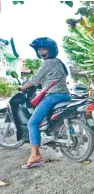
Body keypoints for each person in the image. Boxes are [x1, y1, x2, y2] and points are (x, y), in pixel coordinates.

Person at [18, 37, 71, 169]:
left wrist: (24, 87)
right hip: (65, 95)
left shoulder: (49, 62)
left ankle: (35, 155)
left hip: (53, 96)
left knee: (32, 122)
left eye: (44, 49)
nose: (41, 52)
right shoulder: (59, 62)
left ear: (51, 50)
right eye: (39, 49)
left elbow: (36, 79)